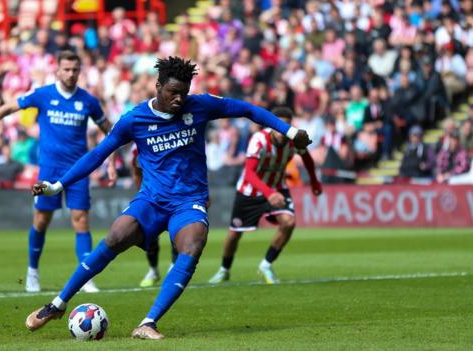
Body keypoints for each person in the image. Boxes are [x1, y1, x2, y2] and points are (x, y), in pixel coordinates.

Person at [24, 57, 312, 339]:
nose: (179, 99)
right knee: (114, 237)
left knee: (193, 244)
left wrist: (290, 130)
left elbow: (247, 109)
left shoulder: (199, 105)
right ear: (158, 86)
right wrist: (57, 185)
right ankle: (57, 305)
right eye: (173, 92)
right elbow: (98, 154)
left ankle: (148, 323)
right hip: (151, 200)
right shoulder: (134, 119)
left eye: (184, 93)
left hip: (188, 202)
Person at [0, 51, 116, 293]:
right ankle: (32, 272)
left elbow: (111, 132)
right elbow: (10, 107)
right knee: (41, 220)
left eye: (74, 69)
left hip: (78, 170)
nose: (71, 74)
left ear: (79, 71)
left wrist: (111, 162)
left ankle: (86, 276)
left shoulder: (88, 101)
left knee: (81, 220)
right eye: (66, 69)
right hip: (49, 170)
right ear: (58, 71)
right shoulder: (43, 95)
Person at [208, 106, 322, 285]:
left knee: (289, 222)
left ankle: (266, 264)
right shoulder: (259, 139)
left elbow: (306, 157)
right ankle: (224, 269)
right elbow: (249, 173)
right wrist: (269, 194)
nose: (284, 132)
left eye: (287, 127)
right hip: (250, 191)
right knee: (234, 233)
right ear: (273, 126)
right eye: (280, 127)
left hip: (277, 187)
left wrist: (314, 181)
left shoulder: (293, 141)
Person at [130, 143, 178, 288]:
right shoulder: (137, 148)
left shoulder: (174, 139)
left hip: (177, 193)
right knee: (149, 234)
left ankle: (174, 266)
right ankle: (153, 270)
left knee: (177, 230)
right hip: (152, 196)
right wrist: (141, 195)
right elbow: (137, 172)